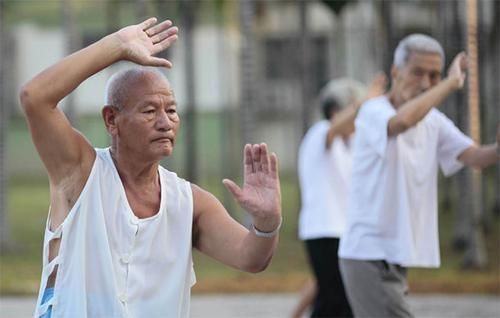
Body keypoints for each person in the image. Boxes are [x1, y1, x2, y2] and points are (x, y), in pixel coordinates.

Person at [20, 18, 282, 318]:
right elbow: (35, 97)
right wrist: (116, 46)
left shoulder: (189, 202)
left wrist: (267, 223)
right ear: (111, 120)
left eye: (171, 110)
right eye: (149, 111)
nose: (165, 122)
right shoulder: (80, 174)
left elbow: (251, 257)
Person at [338, 34, 500, 318]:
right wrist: (451, 83)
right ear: (395, 72)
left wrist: (497, 149)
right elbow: (401, 122)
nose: (426, 83)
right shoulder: (374, 111)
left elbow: (474, 157)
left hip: (392, 255)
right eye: (418, 73)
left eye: (435, 75)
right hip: (367, 252)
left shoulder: (433, 121)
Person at [294, 76, 386, 318]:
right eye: (356, 112)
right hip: (324, 231)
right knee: (336, 303)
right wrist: (365, 100)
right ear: (336, 111)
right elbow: (335, 127)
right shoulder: (320, 133)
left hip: (347, 234)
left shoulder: (352, 144)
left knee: (337, 300)